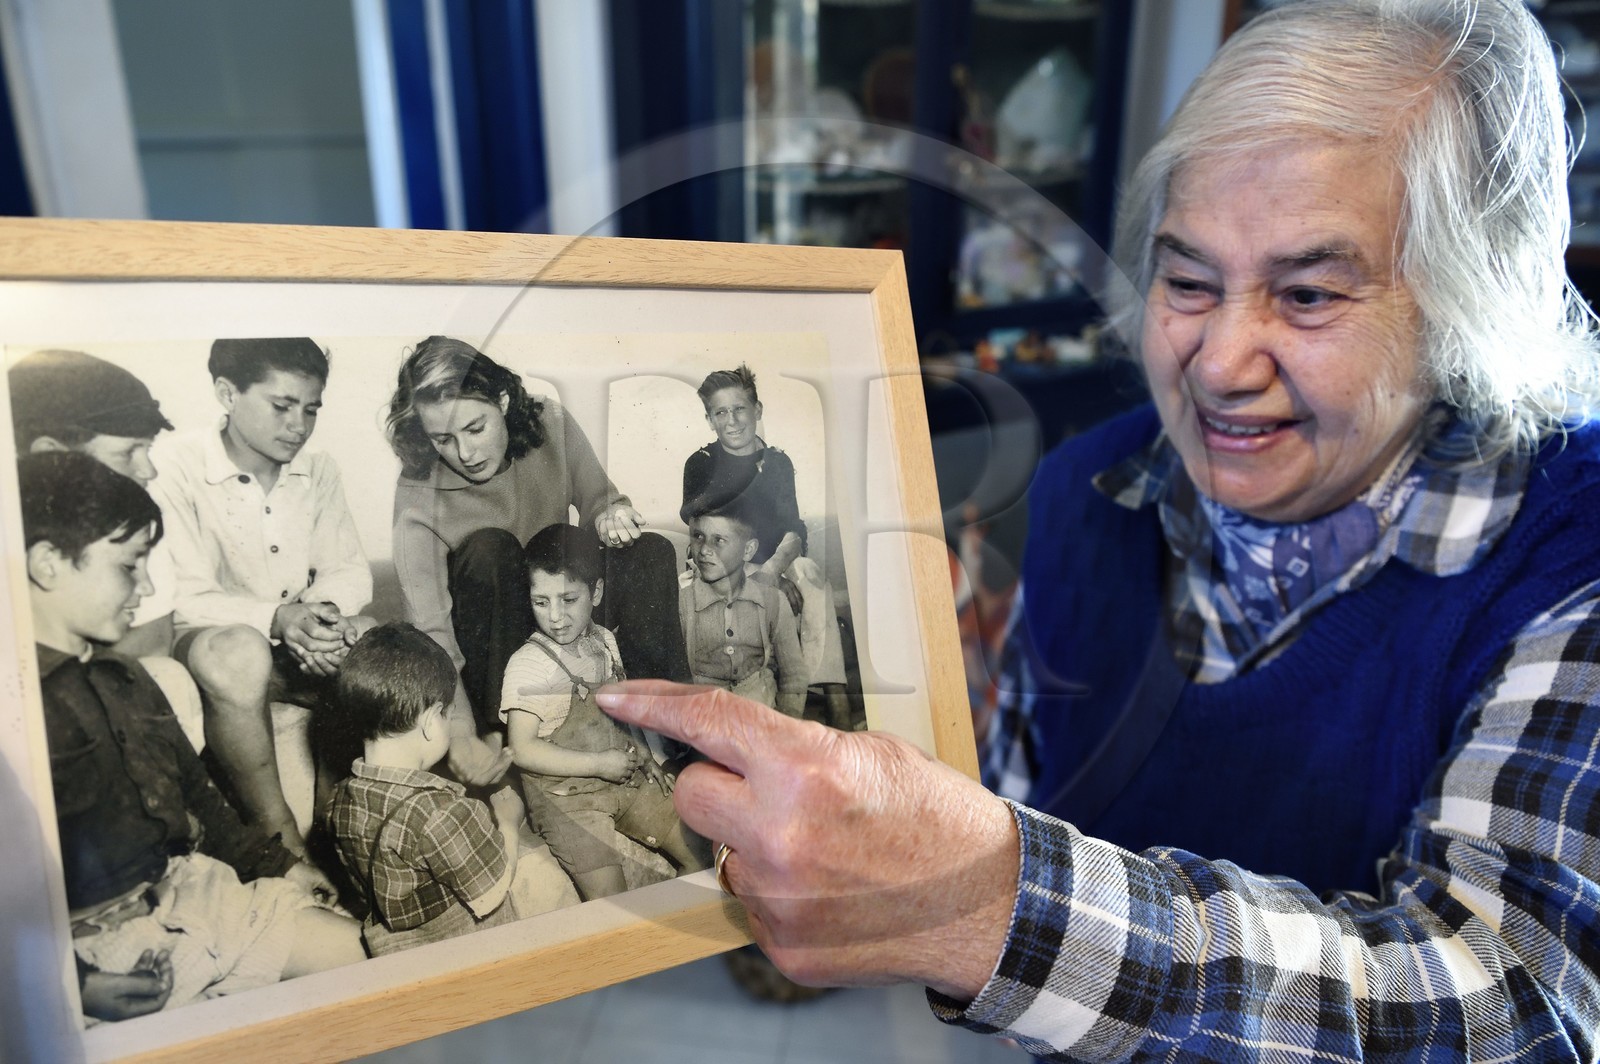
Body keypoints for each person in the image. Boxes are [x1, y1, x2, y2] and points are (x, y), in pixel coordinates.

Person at [597, 1, 1600, 1059]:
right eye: (1186, 280)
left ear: (1468, 307)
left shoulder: (1570, 558)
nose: (1217, 361)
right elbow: (1041, 801)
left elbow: (1520, 1006)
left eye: (1305, 294)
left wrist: (979, 901)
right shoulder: (1091, 490)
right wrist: (922, 710)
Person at [21, 452, 362, 1020]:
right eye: (129, 566)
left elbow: (203, 805)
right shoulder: (20, 711)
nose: (147, 586)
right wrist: (73, 982)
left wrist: (279, 864)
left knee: (370, 960)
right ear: (48, 563)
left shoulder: (127, 680)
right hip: (85, 952)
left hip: (196, 896)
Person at [386, 336, 690, 780]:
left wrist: (610, 514)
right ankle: (505, 742)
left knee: (651, 551)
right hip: (493, 654)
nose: (465, 454)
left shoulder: (550, 421)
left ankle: (676, 728)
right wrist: (462, 733)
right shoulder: (416, 494)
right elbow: (432, 632)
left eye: (475, 428)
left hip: (558, 610)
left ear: (504, 401)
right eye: (443, 440)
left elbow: (600, 499)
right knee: (491, 548)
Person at [150, 337, 375, 856]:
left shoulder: (318, 469)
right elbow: (183, 595)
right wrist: (277, 617)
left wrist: (320, 619)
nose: (299, 424)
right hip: (215, 648)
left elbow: (347, 569)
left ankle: (337, 826)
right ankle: (281, 837)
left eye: (311, 408)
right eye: (282, 406)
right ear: (227, 393)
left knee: (367, 638)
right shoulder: (176, 465)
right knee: (241, 650)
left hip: (295, 642)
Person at [6, 349, 205, 745]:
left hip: (79, 683)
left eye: (147, 449)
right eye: (128, 452)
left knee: (166, 679)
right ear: (52, 456)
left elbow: (152, 637)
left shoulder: (129, 522)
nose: (148, 470)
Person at [499, 523, 704, 900]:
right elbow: (523, 749)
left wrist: (645, 756)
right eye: (541, 602)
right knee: (612, 902)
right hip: (566, 800)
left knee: (701, 852)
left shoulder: (604, 640)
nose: (555, 617)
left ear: (596, 592)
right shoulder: (528, 665)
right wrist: (598, 764)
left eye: (568, 599)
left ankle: (670, 935)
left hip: (618, 778)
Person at [328, 623, 524, 955]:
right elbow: (493, 890)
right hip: (469, 951)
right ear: (432, 721)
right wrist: (508, 822)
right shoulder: (443, 812)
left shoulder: (338, 799)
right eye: (448, 714)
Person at [682, 364, 852, 727]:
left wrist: (774, 571)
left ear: (757, 410)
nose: (732, 421)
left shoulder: (778, 462)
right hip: (724, 559)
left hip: (775, 560)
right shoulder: (701, 463)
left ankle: (835, 699)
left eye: (740, 408)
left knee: (809, 573)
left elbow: (794, 529)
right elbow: (709, 534)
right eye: (720, 412)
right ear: (709, 419)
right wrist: (756, 573)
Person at [681, 504, 807, 716]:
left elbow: (794, 675)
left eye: (719, 540)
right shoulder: (683, 603)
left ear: (748, 550)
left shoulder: (773, 600)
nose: (704, 550)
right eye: (698, 536)